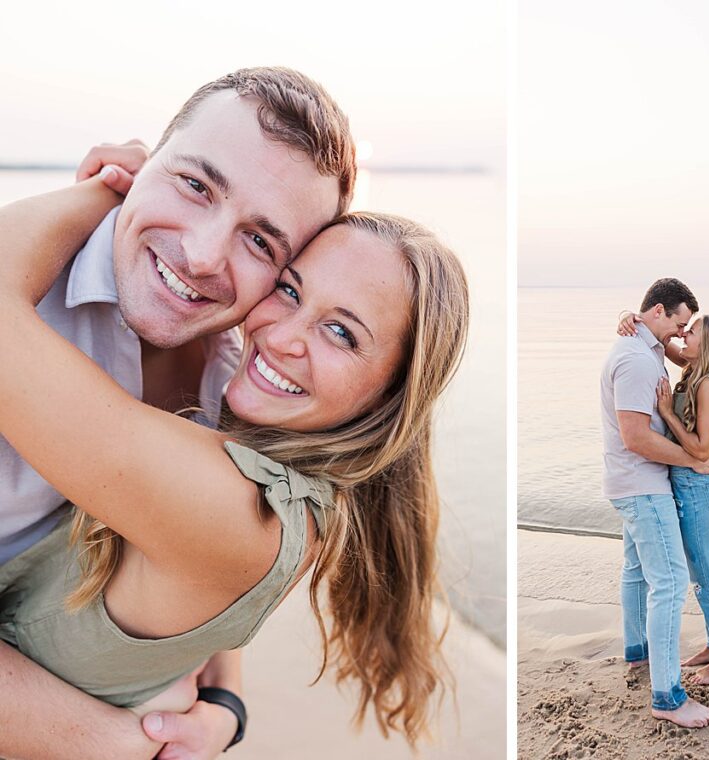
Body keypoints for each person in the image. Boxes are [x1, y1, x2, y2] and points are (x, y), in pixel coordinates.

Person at [0, 172, 468, 757]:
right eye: (292, 291)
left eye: (341, 333)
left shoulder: (238, 507)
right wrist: (226, 702)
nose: (282, 338)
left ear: (392, 394)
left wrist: (113, 192)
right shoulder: (271, 479)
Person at [0, 66, 357, 759]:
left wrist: (226, 699)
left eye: (262, 241)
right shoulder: (28, 301)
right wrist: (109, 743)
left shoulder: (241, 379)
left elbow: (201, 566)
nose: (200, 255)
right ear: (139, 165)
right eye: (195, 185)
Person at [599, 278, 709, 729]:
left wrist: (628, 317)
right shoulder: (635, 358)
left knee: (636, 573)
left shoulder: (644, 347)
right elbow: (635, 438)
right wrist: (693, 458)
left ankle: (638, 654)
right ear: (659, 312)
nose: (680, 333)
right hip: (642, 486)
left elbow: (672, 352)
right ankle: (668, 697)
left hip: (630, 484)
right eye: (678, 324)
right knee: (669, 582)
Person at [619, 312, 709, 686]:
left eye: (692, 332)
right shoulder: (695, 368)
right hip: (689, 488)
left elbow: (701, 450)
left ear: (708, 345)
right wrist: (631, 318)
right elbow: (663, 341)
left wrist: (663, 413)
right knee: (700, 575)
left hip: (700, 490)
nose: (683, 335)